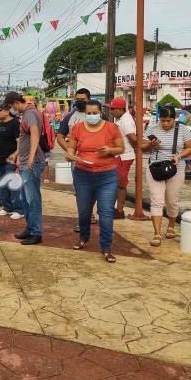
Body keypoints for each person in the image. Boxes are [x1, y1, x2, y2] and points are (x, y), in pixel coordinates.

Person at [66, 100, 125, 263]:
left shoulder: (111, 128)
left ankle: (106, 248)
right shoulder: (78, 128)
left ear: (100, 112)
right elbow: (71, 147)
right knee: (84, 211)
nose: (92, 116)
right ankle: (84, 237)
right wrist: (70, 154)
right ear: (85, 114)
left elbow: (121, 149)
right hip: (83, 175)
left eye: (95, 113)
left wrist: (110, 150)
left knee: (106, 212)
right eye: (89, 113)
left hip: (107, 176)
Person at [141, 105, 191, 247]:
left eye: (168, 121)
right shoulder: (152, 128)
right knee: (157, 201)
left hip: (175, 169)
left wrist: (179, 156)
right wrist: (151, 145)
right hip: (155, 168)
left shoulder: (182, 129)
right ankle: (157, 233)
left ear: (174, 119)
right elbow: (141, 147)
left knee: (171, 200)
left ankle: (171, 225)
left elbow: (190, 147)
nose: (165, 124)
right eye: (163, 120)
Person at [5, 91, 45, 245]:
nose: (12, 110)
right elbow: (25, 139)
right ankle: (30, 228)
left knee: (32, 199)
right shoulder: (28, 114)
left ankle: (36, 232)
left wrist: (30, 158)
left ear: (16, 103)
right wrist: (17, 154)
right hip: (25, 162)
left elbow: (35, 135)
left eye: (11, 107)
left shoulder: (30, 114)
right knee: (25, 199)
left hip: (31, 163)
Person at [56, 88, 97, 228]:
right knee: (80, 190)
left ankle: (89, 212)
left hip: (96, 159)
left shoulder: (97, 115)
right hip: (77, 161)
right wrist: (69, 151)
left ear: (89, 99)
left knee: (94, 188)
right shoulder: (69, 116)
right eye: (77, 99)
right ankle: (84, 217)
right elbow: (60, 137)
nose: (80, 101)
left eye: (83, 99)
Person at [0, 103, 23, 219]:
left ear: (7, 111)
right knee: (3, 185)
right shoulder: (0, 124)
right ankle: (7, 207)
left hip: (10, 160)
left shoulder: (15, 123)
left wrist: (16, 156)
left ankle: (19, 209)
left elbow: (19, 142)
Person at [109, 98, 138, 219]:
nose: (111, 111)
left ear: (120, 109)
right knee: (117, 183)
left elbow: (133, 138)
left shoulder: (125, 120)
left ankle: (119, 210)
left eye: (112, 109)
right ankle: (116, 209)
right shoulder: (121, 118)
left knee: (120, 184)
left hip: (123, 156)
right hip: (120, 155)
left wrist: (136, 149)